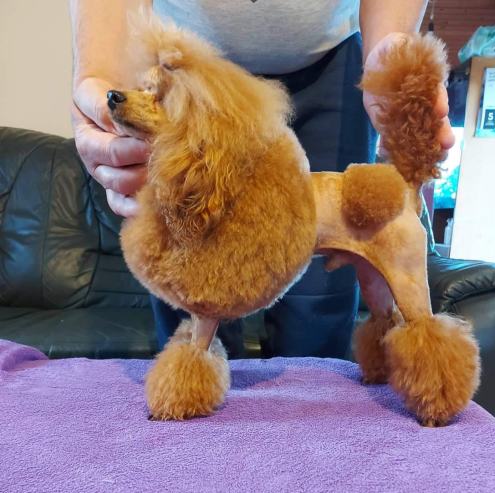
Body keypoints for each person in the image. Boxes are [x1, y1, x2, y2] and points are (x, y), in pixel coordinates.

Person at [69, 0, 454, 357]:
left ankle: (416, 376)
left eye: (153, 98)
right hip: (188, 78)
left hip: (332, 63)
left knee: (317, 316)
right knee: (194, 287)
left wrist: (390, 47)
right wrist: (99, 72)